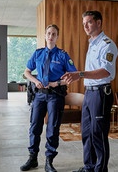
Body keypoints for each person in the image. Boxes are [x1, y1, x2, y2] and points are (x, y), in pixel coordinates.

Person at [61, 11, 118, 172]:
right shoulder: (92, 43)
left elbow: (106, 72)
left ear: (99, 23)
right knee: (86, 132)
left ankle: (100, 169)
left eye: (89, 22)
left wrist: (79, 74)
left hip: (101, 93)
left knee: (98, 134)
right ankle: (89, 167)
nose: (85, 26)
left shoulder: (107, 44)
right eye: (84, 23)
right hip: (89, 92)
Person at [21, 24, 77, 172]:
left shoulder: (62, 55)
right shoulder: (38, 53)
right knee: (35, 127)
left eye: (54, 34)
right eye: (48, 33)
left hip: (55, 96)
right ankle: (32, 158)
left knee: (52, 128)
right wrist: (35, 81)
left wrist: (56, 82)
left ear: (57, 37)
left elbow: (73, 76)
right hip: (39, 96)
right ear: (45, 36)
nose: (51, 36)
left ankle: (49, 161)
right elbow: (26, 72)